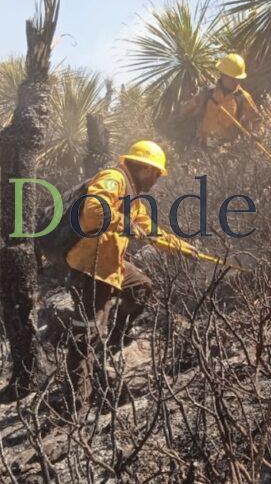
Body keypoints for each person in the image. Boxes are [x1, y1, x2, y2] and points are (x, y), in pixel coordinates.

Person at [64, 140, 198, 409]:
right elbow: (92, 213)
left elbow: (147, 227)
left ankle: (111, 343)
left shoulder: (132, 193)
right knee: (86, 334)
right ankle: (76, 403)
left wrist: (180, 247)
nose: (157, 179)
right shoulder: (113, 180)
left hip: (112, 265)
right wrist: (122, 222)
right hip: (91, 269)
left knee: (141, 287)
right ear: (145, 169)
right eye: (156, 174)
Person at [179, 53, 265, 145]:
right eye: (232, 78)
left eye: (237, 78)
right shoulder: (208, 92)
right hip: (201, 145)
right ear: (223, 75)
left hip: (225, 151)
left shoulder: (243, 97)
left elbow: (257, 120)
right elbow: (186, 110)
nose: (235, 81)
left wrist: (257, 133)